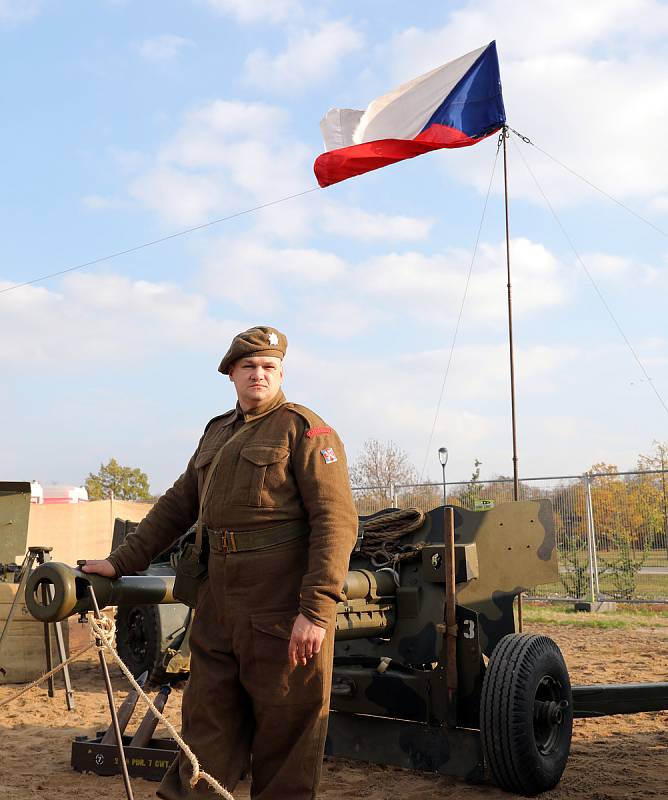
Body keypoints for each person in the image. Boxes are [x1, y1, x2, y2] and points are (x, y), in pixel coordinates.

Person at [83, 325, 358, 799]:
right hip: (217, 610)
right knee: (205, 732)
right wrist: (120, 561)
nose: (259, 374)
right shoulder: (218, 433)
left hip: (281, 614)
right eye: (248, 366)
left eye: (269, 366)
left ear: (281, 372)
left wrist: (315, 612)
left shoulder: (306, 430)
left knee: (286, 741)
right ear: (231, 373)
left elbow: (336, 522)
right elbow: (176, 506)